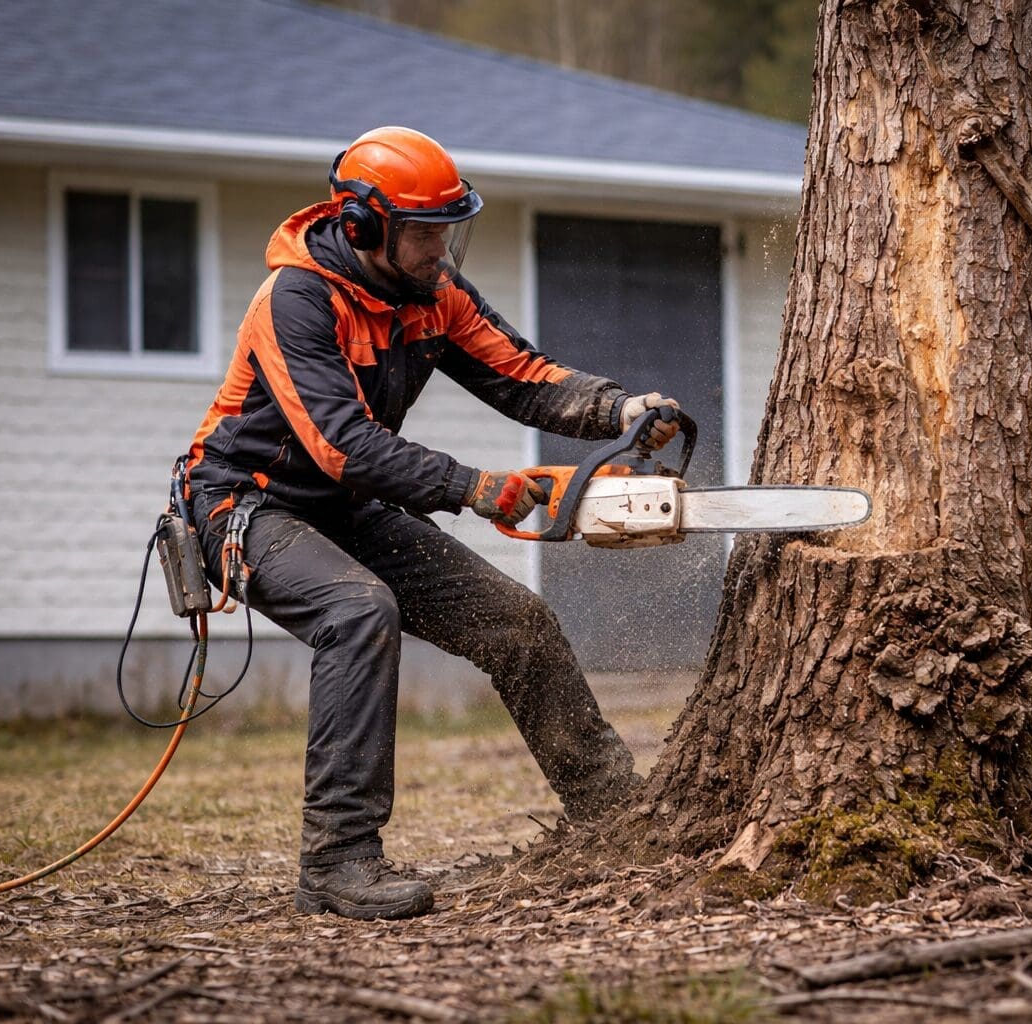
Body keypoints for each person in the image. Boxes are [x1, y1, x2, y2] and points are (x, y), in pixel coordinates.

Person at [184, 126, 678, 921]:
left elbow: (524, 377)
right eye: (423, 233)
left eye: (449, 227)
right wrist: (474, 487)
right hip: (247, 503)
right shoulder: (296, 301)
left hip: (346, 505)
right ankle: (337, 863)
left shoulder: (433, 293)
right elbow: (341, 444)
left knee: (516, 623)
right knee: (357, 610)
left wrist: (621, 406)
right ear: (364, 225)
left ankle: (615, 812)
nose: (439, 248)